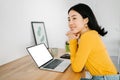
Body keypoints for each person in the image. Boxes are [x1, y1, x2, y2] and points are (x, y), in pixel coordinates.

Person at [66, 3, 119, 80]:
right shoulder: (89, 34)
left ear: (86, 20)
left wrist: (72, 41)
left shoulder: (88, 36)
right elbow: (80, 61)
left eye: (74, 18)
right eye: (69, 19)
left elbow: (77, 68)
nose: (70, 23)